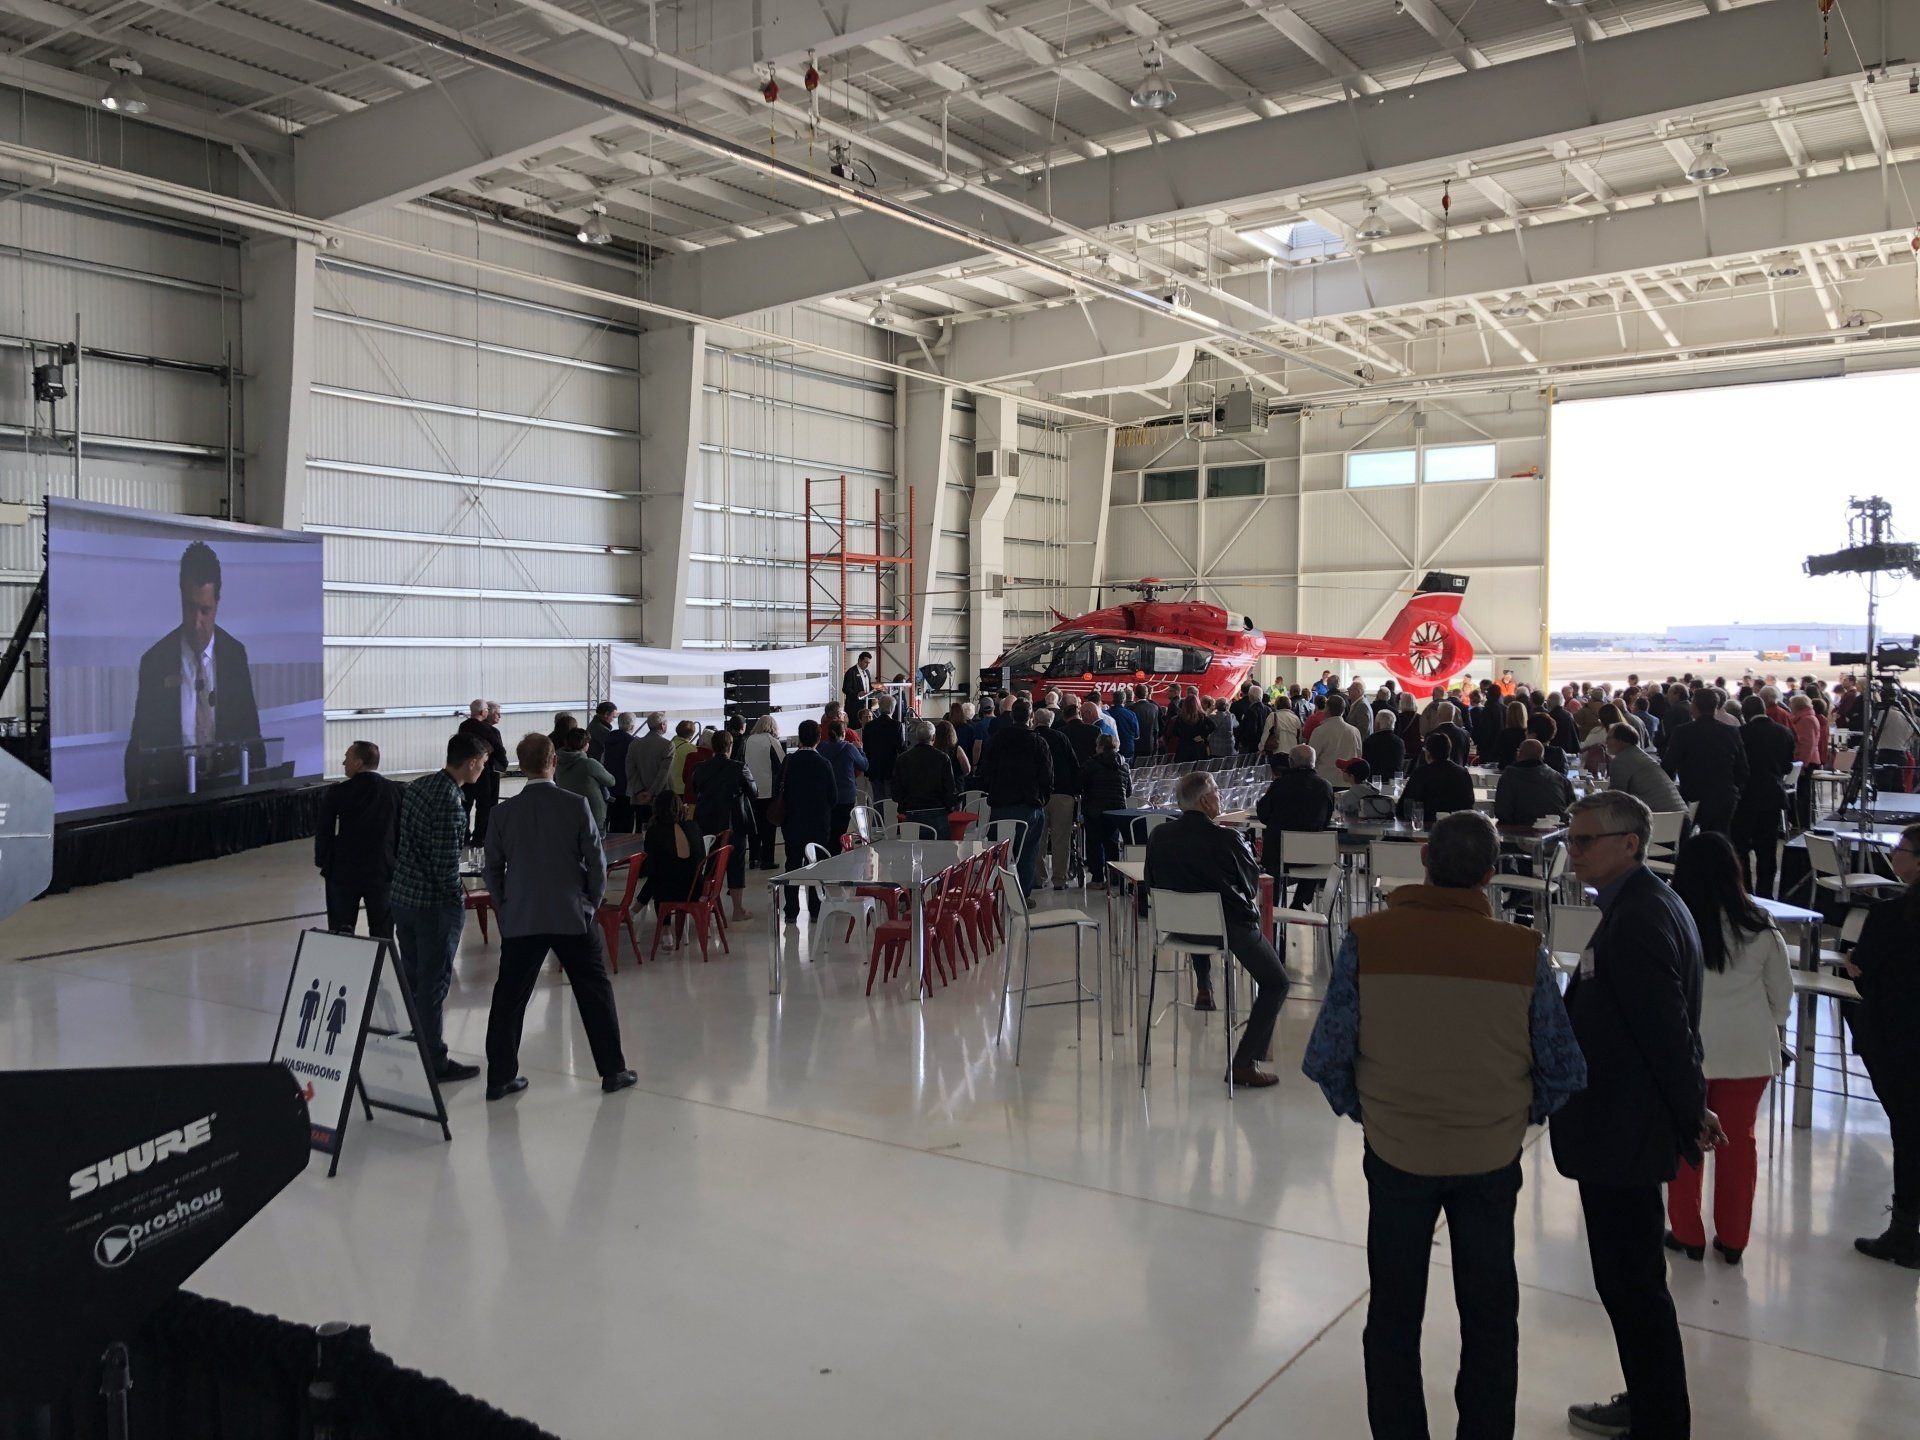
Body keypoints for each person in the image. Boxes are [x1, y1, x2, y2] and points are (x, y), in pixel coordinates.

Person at [1303, 811, 1585, 1440]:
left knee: (1394, 1313)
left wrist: (1372, 1108)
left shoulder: (1368, 938)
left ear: (1424, 858)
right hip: (1488, 1152)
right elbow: (1563, 1067)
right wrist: (1514, 1113)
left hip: (1398, 1150)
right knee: (1490, 1313)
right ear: (1491, 874)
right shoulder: (1520, 950)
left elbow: (1326, 1056)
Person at [1553, 790, 1719, 1440]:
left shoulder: (1641, 918)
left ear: (1629, 842)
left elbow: (1667, 1031)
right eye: (1571, 839)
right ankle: (1649, 1401)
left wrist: (1693, 1110)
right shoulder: (1638, 904)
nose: (1573, 850)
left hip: (1624, 1129)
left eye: (1585, 840)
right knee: (1628, 1284)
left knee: (1634, 1286)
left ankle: (1659, 1420)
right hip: (1620, 1125)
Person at [480, 734, 635, 1102]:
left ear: (521, 764)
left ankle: (499, 1078)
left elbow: (491, 869)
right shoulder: (576, 805)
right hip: (572, 915)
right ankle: (612, 1071)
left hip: (522, 917)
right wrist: (590, 903)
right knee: (593, 992)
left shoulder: (501, 813)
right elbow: (596, 863)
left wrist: (507, 906)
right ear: (553, 761)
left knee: (508, 999)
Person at [1664, 832, 1791, 1266]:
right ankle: (1734, 1239)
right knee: (1740, 1144)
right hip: (1749, 1052)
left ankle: (1687, 1233)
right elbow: (1782, 996)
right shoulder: (1759, 923)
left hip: (1686, 1051)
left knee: (1686, 1141)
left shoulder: (1671, 921)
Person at [1141, 770, 1289, 1088]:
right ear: (1206, 800)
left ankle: (1204, 983)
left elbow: (1150, 882)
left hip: (1176, 930)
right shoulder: (1227, 838)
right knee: (1276, 982)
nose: (1220, 798)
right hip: (1228, 928)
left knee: (1203, 913)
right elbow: (1250, 887)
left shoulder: (1159, 836)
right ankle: (1244, 1062)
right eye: (1218, 794)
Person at [124, 539, 264, 801]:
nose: (196, 622)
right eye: (189, 608)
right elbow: (138, 750)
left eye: (205, 610)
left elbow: (253, 738)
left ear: (218, 602)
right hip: (171, 799)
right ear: (179, 596)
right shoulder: (155, 661)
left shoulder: (235, 656)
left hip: (225, 796)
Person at [390, 732, 492, 1085]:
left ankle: (410, 1044)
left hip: (403, 898)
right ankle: (433, 1059)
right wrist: (457, 901)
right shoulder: (452, 801)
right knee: (434, 985)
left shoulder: (417, 787)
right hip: (433, 908)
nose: (483, 769)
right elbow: (444, 865)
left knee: (414, 979)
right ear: (469, 762)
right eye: (482, 763)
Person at [1847, 822, 1920, 1266]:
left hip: (1896, 1040)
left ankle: (1904, 1230)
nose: (1895, 855)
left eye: (1901, 848)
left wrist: (1858, 966)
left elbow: (1866, 972)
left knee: (1908, 1133)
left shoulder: (1891, 916)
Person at [314, 740, 399, 938]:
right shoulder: (395, 791)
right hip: (383, 869)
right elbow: (402, 829)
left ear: (358, 763)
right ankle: (380, 965)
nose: (343, 763)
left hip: (344, 870)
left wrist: (323, 860)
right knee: (382, 929)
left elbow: (324, 830)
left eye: (346, 758)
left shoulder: (338, 792)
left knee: (341, 929)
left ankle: (343, 967)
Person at [977, 698, 1052, 899]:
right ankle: (1022, 896)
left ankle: (997, 893)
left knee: (1000, 852)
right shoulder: (1038, 742)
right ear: (1030, 717)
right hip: (1029, 806)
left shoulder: (996, 740)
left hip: (1001, 804)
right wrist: (1042, 798)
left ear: (1011, 716)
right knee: (1027, 853)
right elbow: (1047, 776)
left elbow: (985, 771)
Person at [1730, 694, 1794, 900]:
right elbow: (1787, 767)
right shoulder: (1783, 732)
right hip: (1772, 797)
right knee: (1767, 849)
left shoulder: (1739, 734)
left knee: (1740, 848)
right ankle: (1766, 895)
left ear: (1744, 714)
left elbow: (1735, 768)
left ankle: (1746, 894)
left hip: (1745, 798)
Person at [691, 729, 756, 920]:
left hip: (707, 821)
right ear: (730, 746)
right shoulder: (739, 767)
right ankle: (737, 909)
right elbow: (754, 791)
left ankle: (708, 905)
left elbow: (695, 789)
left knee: (710, 864)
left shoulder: (700, 767)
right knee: (736, 864)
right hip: (733, 821)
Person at [1664, 688, 1749, 835]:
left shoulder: (1683, 732)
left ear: (1694, 707)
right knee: (1720, 840)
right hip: (1724, 796)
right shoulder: (1731, 731)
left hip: (1693, 797)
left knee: (1692, 841)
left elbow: (1668, 765)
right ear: (1716, 707)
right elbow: (1742, 768)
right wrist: (1734, 790)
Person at [775, 720, 835, 921]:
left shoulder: (789, 761)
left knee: (792, 864)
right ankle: (816, 910)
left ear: (800, 737)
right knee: (816, 865)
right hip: (818, 823)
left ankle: (791, 911)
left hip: (792, 821)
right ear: (819, 738)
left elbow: (778, 789)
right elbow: (833, 797)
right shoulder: (824, 763)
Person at [1034, 708, 1082, 890]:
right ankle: (1059, 880)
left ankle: (1039, 878)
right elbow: (1073, 764)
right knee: (1061, 838)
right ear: (1051, 722)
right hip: (1063, 793)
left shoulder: (1033, 738)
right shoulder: (1061, 738)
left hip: (1038, 795)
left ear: (1034, 719)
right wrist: (1076, 791)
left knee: (1038, 837)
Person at [1080, 733, 1132, 883]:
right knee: (1112, 843)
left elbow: (1081, 783)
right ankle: (1114, 877)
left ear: (1101, 747)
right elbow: (1128, 791)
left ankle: (1097, 879)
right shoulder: (1124, 764)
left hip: (1094, 809)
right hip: (1116, 810)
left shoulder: (1091, 763)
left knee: (1094, 843)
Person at [892, 719, 958, 836]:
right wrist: (949, 808)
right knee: (939, 852)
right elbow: (950, 789)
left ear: (917, 737)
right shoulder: (942, 758)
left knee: (910, 851)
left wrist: (904, 805)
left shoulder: (902, 759)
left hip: (911, 812)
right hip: (937, 812)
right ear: (933, 738)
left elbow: (896, 791)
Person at [457, 698, 508, 846]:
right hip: (486, 773)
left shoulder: (463, 726)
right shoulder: (489, 730)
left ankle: (464, 836)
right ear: (484, 712)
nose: (499, 716)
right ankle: (480, 837)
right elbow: (499, 749)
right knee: (485, 805)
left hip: (465, 770)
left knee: (465, 804)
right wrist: (503, 765)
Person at [1604, 723, 1685, 816]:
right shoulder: (1641, 756)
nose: (1606, 742)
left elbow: (1614, 798)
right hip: (1680, 819)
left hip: (1661, 821)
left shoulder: (1622, 760)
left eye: (1609, 738)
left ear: (1621, 740)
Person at [1397, 732, 1473, 828]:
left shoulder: (1421, 773)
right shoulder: (1462, 773)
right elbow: (1469, 804)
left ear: (1428, 753)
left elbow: (1405, 806)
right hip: (1457, 828)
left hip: (1425, 828)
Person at [1493, 738, 1573, 826]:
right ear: (1542, 757)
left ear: (1518, 754)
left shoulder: (1508, 777)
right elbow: (1573, 809)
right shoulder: (1559, 778)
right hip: (1557, 832)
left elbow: (1502, 812)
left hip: (1519, 832)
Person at [816, 717, 868, 847]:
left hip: (827, 795)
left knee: (828, 828)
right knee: (840, 830)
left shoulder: (822, 748)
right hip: (846, 795)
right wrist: (860, 749)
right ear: (844, 733)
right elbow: (864, 766)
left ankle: (826, 854)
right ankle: (835, 854)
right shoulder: (850, 749)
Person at [742, 715, 785, 870]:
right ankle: (767, 860)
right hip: (768, 790)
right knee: (769, 826)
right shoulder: (771, 740)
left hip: (751, 790)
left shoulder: (748, 740)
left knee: (754, 827)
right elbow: (782, 764)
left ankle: (753, 858)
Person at [553, 727, 615, 831]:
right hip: (592, 813)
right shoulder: (589, 764)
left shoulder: (558, 763)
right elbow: (611, 781)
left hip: (568, 812)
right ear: (585, 744)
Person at [1313, 693, 1364, 789]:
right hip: (1349, 782)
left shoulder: (1320, 731)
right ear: (1343, 710)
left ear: (1326, 709)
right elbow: (1359, 755)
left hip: (1325, 782)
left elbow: (1312, 758)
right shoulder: (1355, 731)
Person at [862, 692, 904, 803]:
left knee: (878, 800)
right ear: (893, 709)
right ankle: (890, 821)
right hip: (890, 768)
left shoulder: (869, 726)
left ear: (879, 708)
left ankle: (878, 820)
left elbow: (865, 749)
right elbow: (900, 748)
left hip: (874, 768)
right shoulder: (897, 725)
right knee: (890, 801)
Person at [601, 712, 637, 833]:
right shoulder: (632, 742)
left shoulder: (608, 739)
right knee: (625, 823)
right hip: (626, 787)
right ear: (632, 725)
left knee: (611, 820)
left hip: (609, 786)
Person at [1362, 708, 1405, 784]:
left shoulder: (1370, 741)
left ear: (1377, 725)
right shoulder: (1399, 742)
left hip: (1374, 782)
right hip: (1393, 782)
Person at [1167, 694, 1212, 763]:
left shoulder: (1180, 717)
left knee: (1183, 770)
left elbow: (1174, 731)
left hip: (1184, 747)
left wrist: (1183, 736)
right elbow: (1213, 726)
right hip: (1198, 747)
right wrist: (1202, 735)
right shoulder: (1202, 716)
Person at [933, 717, 972, 788]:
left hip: (937, 786)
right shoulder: (957, 749)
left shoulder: (933, 750)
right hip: (955, 785)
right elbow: (967, 769)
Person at [1130, 685, 1162, 757]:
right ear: (1147, 694)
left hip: (1136, 745)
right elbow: (1156, 729)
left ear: (1135, 694)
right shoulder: (1154, 708)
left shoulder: (1132, 708)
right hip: (1149, 745)